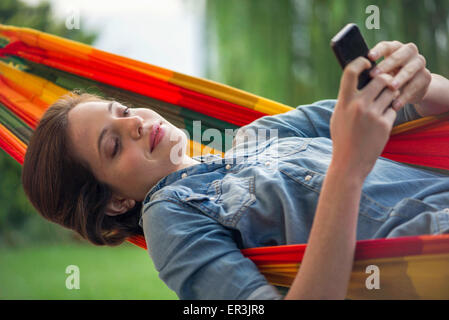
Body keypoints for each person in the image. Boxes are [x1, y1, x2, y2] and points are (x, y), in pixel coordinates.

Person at [21, 40, 449, 299]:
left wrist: (413, 80)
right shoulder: (171, 220)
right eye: (113, 145)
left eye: (124, 110)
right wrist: (347, 170)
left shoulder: (258, 135)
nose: (134, 122)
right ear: (116, 201)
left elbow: (413, 109)